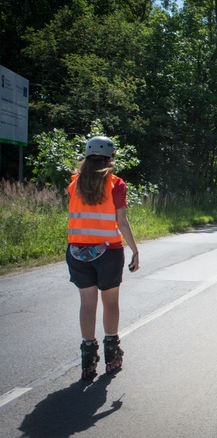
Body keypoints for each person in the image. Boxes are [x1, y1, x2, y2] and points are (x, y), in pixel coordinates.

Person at [66, 136, 139, 379]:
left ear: (87, 157)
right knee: (110, 302)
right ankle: (112, 351)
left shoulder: (74, 184)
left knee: (87, 303)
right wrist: (135, 249)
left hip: (77, 251)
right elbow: (121, 221)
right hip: (108, 251)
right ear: (110, 158)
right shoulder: (116, 184)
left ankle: (88, 356)